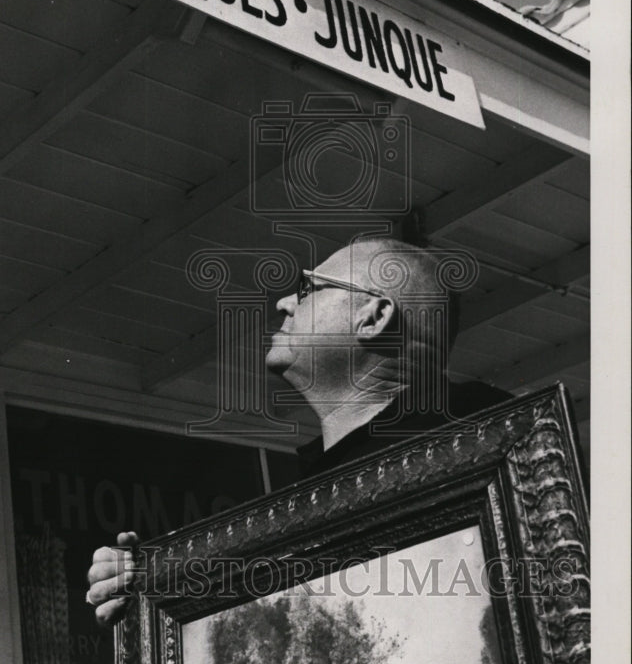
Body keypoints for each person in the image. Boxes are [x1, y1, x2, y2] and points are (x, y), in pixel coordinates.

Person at [86, 236, 509, 626]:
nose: (285, 303)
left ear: (375, 316)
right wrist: (149, 588)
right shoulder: (309, 497)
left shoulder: (488, 431)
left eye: (309, 289)